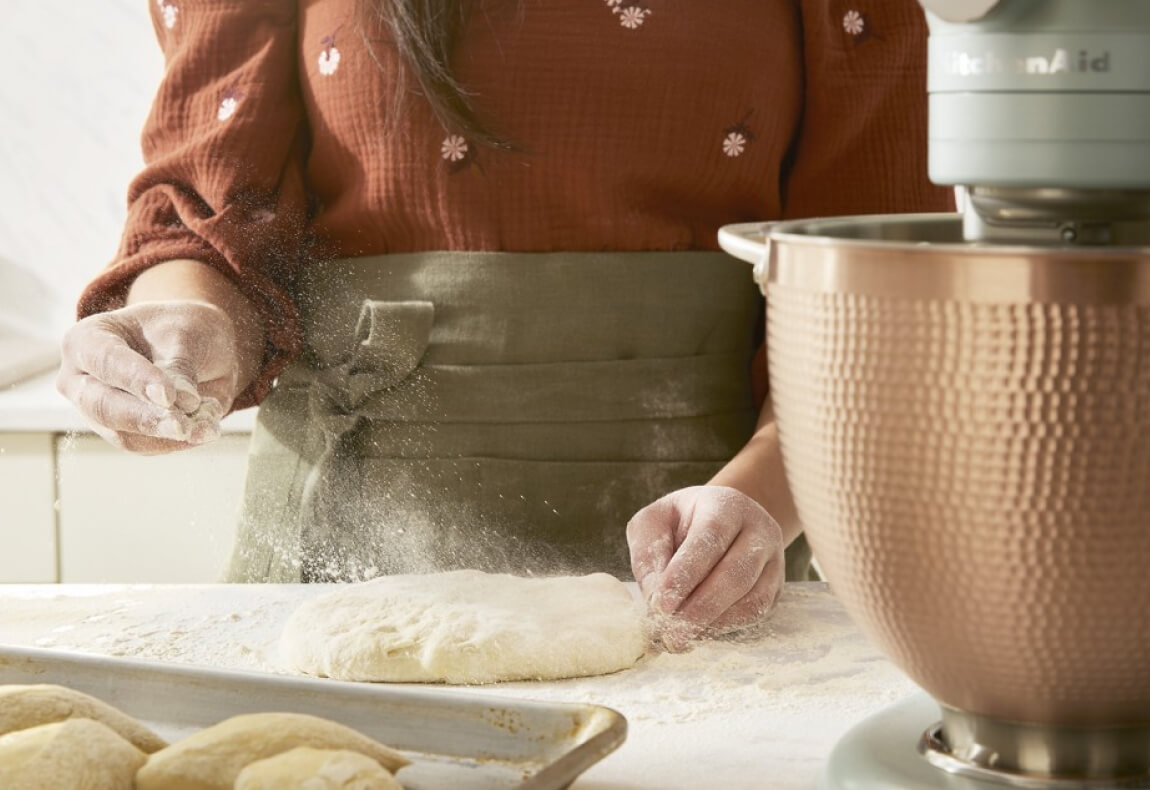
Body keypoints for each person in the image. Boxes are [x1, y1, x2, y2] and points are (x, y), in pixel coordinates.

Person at [56, 0, 952, 647]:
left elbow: (869, 294)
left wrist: (761, 498)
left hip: (697, 554)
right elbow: (211, 214)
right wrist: (186, 324)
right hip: (336, 549)